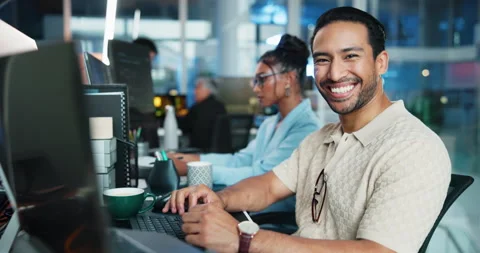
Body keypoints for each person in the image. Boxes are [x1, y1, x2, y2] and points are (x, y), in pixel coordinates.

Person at [163, 7, 451, 253]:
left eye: (350, 56)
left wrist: (247, 239)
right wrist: (220, 199)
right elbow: (267, 186)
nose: (335, 74)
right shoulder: (322, 138)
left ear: (381, 63)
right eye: (323, 60)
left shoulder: (414, 147)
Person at [169, 34, 321, 212]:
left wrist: (191, 169)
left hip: (274, 219)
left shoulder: (307, 129)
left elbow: (260, 175)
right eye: (255, 81)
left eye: (262, 79)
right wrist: (194, 160)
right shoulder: (270, 124)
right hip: (252, 209)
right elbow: (241, 160)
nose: (256, 88)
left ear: (288, 79)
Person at [178, 77, 227, 152]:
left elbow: (184, 129)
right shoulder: (221, 107)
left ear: (207, 91)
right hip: (219, 152)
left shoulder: (197, 108)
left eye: (198, 88)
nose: (195, 92)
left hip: (198, 152)